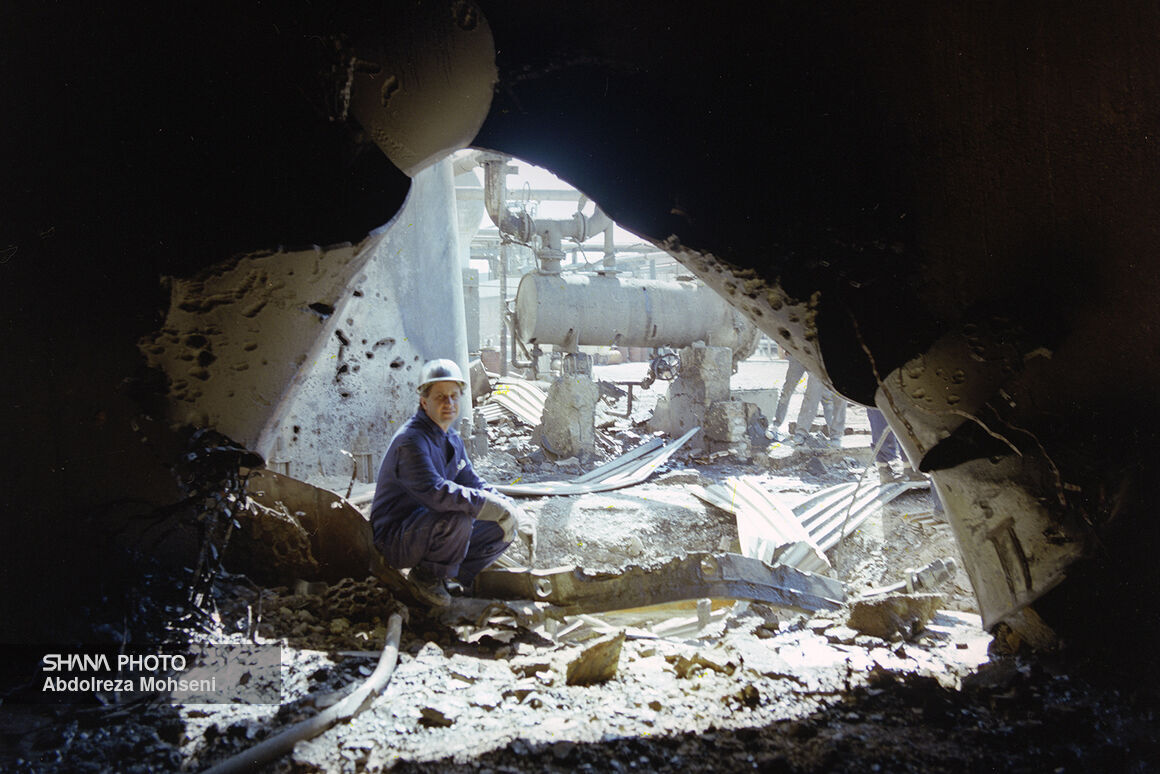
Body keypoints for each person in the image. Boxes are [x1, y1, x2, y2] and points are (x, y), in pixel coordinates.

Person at [370, 358, 526, 607]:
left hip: (426, 528)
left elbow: (473, 482)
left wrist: (509, 507)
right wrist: (487, 504)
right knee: (459, 515)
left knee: (497, 524)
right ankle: (426, 577)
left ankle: (453, 580)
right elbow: (437, 493)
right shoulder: (411, 441)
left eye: (454, 396)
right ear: (424, 402)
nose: (449, 403)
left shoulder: (450, 438)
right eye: (440, 397)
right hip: (395, 538)